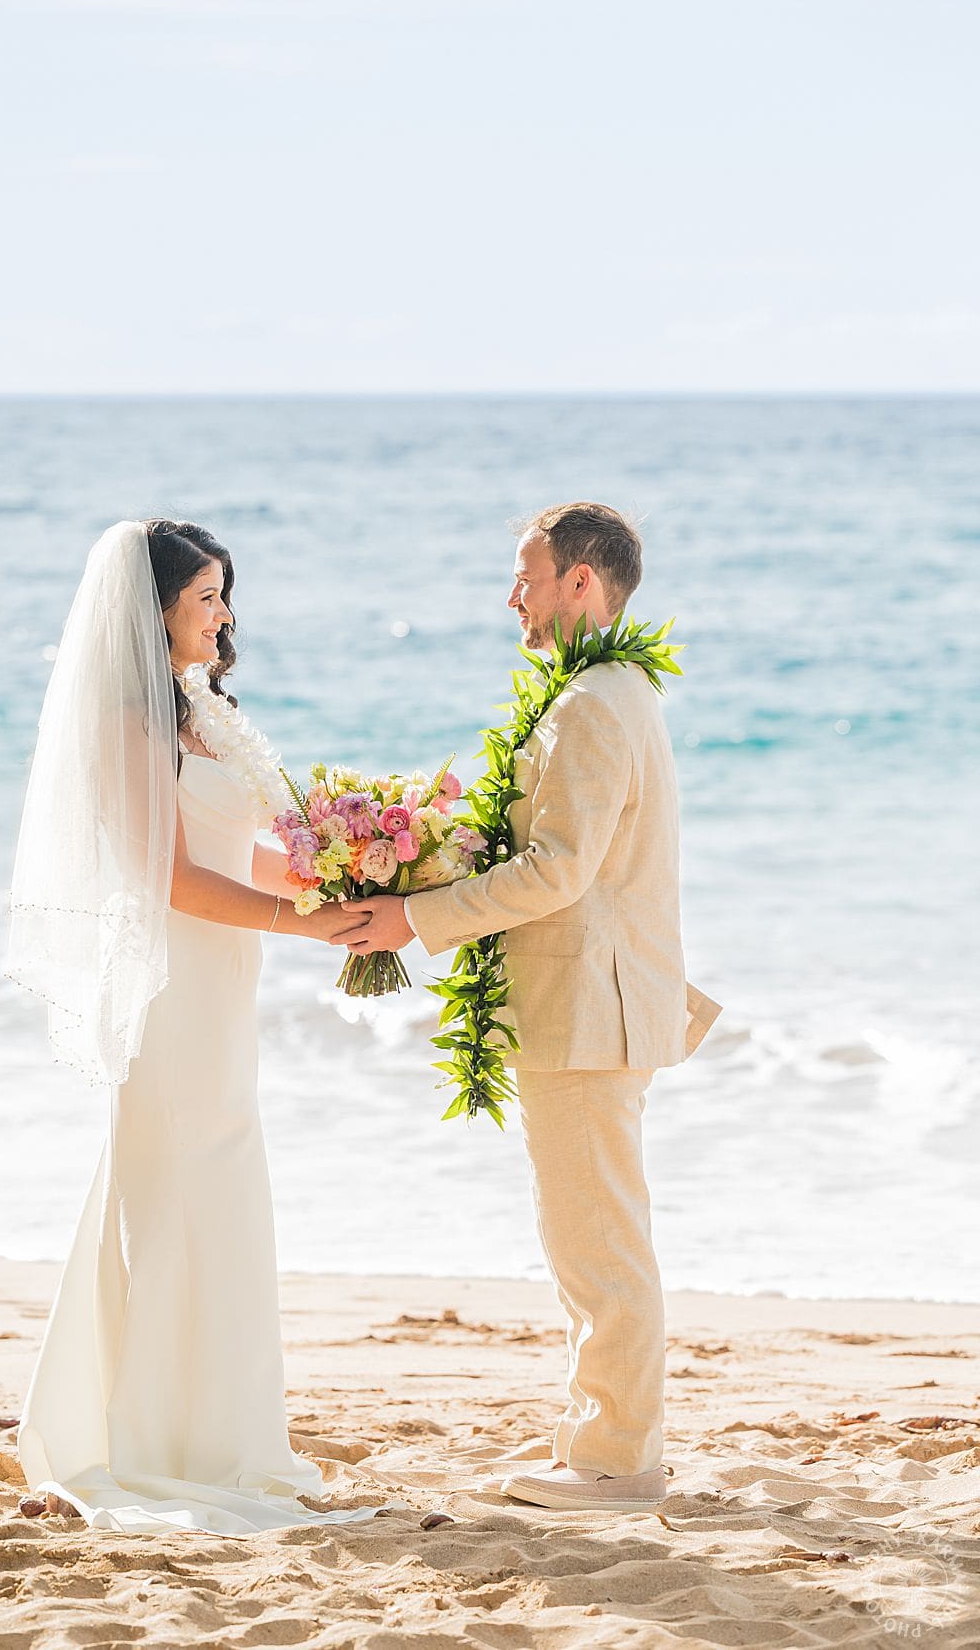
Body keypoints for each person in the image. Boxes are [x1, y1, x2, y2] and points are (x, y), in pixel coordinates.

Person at [340, 501, 720, 1512]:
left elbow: (558, 870)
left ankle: (615, 1463)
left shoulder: (594, 701)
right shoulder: (613, 690)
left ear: (581, 583)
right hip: (593, 1000)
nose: (513, 595)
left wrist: (413, 916)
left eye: (528, 574)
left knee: (598, 1240)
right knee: (588, 1233)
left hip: (590, 1008)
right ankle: (599, 1444)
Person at [4, 517, 373, 1535]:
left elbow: (233, 850)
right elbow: (166, 877)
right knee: (177, 1192)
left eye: (223, 594)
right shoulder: (129, 724)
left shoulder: (199, 710)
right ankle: (161, 1441)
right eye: (206, 596)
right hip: (178, 985)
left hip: (224, 980)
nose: (224, 613)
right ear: (153, 608)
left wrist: (336, 880)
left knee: (222, 1187)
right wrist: (301, 922)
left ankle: (222, 1428)